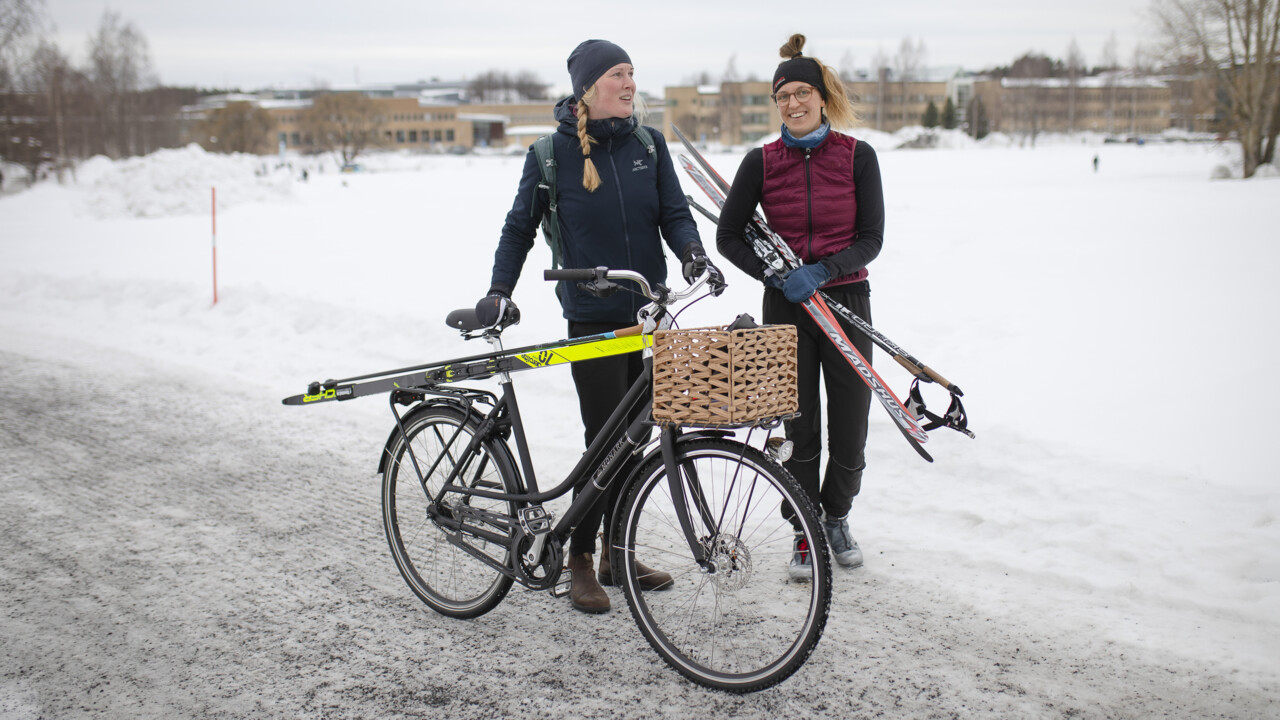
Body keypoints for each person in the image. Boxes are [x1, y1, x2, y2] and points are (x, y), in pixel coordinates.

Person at [477, 39, 723, 613]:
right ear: (588, 88)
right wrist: (498, 292)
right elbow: (518, 230)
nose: (630, 83)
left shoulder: (648, 143)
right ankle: (581, 557)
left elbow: (673, 213)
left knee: (638, 440)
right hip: (592, 318)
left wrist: (691, 253)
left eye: (633, 72)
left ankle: (617, 553)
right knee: (605, 441)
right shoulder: (549, 156)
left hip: (648, 315)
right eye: (618, 74)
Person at [716, 33, 883, 578]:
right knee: (800, 428)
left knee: (852, 427)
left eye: (802, 92)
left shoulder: (859, 157)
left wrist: (825, 270)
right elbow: (729, 235)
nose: (793, 103)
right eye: (783, 96)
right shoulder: (761, 162)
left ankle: (836, 515)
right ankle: (804, 528)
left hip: (846, 300)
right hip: (787, 309)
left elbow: (871, 238)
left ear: (822, 96)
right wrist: (773, 273)